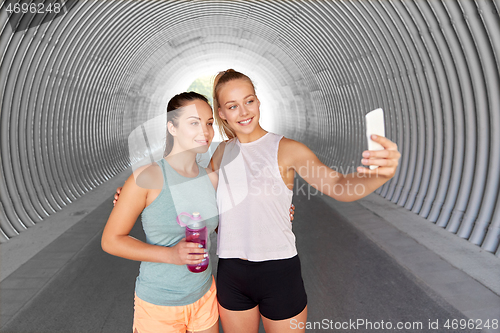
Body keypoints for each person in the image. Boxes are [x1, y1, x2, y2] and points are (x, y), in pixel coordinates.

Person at [208, 69, 401, 333]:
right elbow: (207, 209)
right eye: (232, 106)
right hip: (231, 272)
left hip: (278, 272)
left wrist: (380, 175)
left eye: (249, 101)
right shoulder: (221, 153)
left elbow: (338, 186)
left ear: (258, 101)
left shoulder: (287, 149)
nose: (243, 112)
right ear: (221, 113)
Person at [101, 92, 220, 333]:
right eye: (194, 123)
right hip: (159, 304)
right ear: (172, 127)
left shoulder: (211, 178)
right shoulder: (147, 178)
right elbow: (111, 241)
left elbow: (220, 228)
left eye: (209, 123)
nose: (205, 132)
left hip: (204, 294)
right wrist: (171, 256)